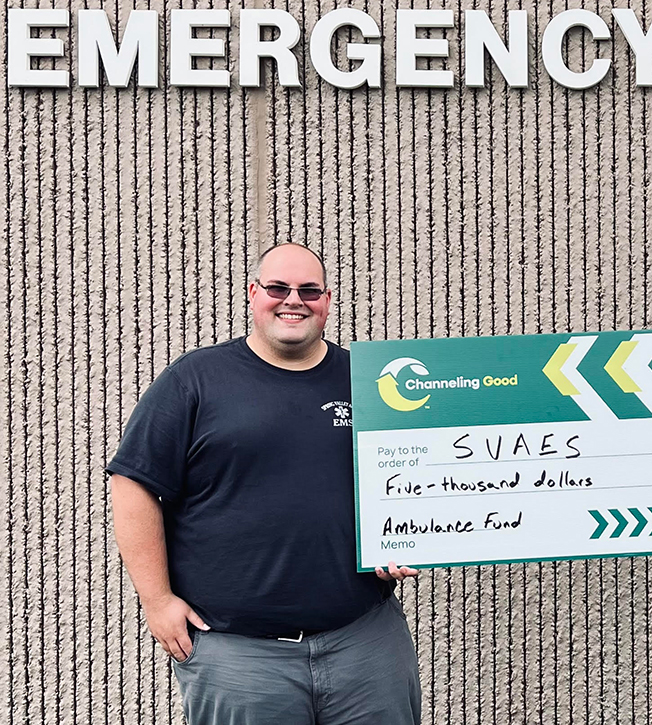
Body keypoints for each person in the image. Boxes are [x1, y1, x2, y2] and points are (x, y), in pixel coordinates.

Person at [107, 243, 423, 725]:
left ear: (327, 300)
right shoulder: (195, 380)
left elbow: (408, 478)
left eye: (309, 290)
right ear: (254, 294)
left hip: (365, 643)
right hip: (238, 657)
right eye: (278, 288)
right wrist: (157, 601)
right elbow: (134, 484)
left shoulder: (370, 383)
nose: (293, 300)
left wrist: (400, 542)